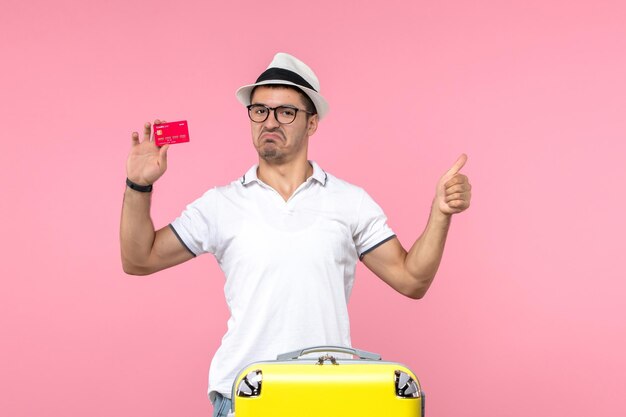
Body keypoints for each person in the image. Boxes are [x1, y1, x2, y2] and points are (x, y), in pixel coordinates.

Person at [120, 53, 471, 417]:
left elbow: (411, 280)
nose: (270, 121)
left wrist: (440, 214)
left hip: (327, 398)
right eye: (260, 110)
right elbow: (138, 259)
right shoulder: (220, 204)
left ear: (312, 123)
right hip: (244, 397)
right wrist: (138, 185)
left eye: (286, 112)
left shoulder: (349, 202)